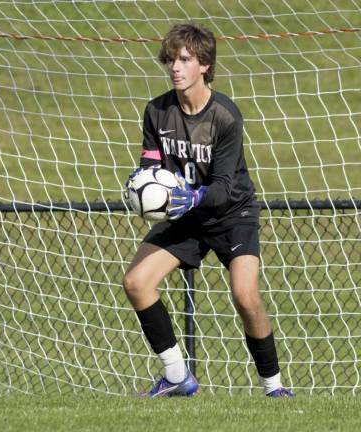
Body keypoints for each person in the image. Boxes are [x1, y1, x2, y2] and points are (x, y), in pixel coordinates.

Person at [123, 23, 294, 398]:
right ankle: (176, 376)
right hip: (185, 216)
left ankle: (275, 388)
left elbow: (224, 186)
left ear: (205, 65)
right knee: (136, 283)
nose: (175, 67)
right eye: (171, 59)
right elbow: (151, 162)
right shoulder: (156, 111)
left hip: (232, 214)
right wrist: (143, 181)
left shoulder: (225, 117)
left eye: (185, 59)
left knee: (245, 295)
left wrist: (195, 197)